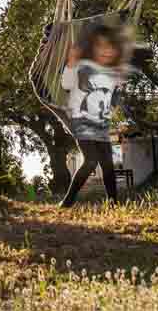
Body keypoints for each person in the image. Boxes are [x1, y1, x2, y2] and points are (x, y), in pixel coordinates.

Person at [59, 22, 130, 207]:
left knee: (108, 164)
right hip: (82, 121)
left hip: (100, 124)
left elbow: (112, 104)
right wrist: (71, 64)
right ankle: (67, 202)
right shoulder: (83, 67)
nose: (106, 50)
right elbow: (66, 85)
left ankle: (113, 203)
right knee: (90, 161)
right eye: (101, 46)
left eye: (110, 46)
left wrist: (119, 89)